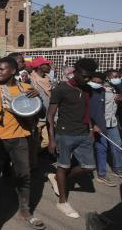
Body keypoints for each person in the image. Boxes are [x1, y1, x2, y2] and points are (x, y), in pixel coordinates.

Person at [0, 57, 45, 229]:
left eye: (2, 69)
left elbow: (39, 111)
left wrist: (38, 97)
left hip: (20, 138)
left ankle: (25, 210)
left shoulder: (26, 88)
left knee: (24, 174)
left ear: (14, 71)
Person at [47, 58, 98, 219]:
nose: (87, 79)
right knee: (63, 165)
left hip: (83, 133)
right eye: (84, 76)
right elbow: (50, 115)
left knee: (89, 167)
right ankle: (62, 201)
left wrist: (90, 129)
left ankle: (58, 178)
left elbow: (86, 111)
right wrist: (52, 138)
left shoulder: (88, 89)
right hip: (64, 134)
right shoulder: (61, 88)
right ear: (74, 71)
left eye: (89, 77)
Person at [88, 72, 122, 187]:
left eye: (118, 76)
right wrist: (93, 125)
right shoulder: (98, 90)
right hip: (100, 123)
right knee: (101, 147)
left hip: (112, 122)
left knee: (117, 145)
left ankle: (118, 169)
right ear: (107, 78)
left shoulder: (116, 88)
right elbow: (92, 108)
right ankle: (102, 174)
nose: (118, 78)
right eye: (115, 77)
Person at [29, 57, 53, 150]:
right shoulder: (31, 80)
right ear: (39, 66)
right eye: (46, 65)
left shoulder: (48, 79)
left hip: (47, 116)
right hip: (37, 118)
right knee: (34, 140)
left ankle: (36, 155)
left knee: (47, 141)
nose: (49, 66)